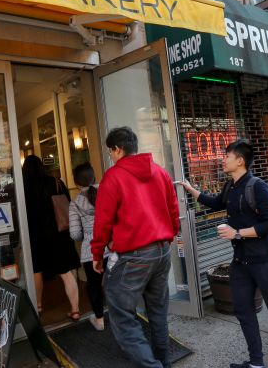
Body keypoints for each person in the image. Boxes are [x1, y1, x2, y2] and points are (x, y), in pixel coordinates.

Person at [179, 140, 268, 368]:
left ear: (240, 160)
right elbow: (215, 203)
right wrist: (190, 189)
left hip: (265, 258)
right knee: (243, 311)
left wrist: (237, 233)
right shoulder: (230, 186)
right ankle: (256, 362)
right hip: (241, 261)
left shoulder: (257, 186)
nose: (222, 159)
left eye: (226, 156)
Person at [91, 127, 179, 368]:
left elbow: (102, 222)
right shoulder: (160, 172)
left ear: (118, 149)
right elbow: (173, 211)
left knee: (122, 316)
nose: (111, 156)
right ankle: (164, 361)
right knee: (158, 313)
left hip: (133, 256)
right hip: (162, 251)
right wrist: (169, 238)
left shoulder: (113, 176)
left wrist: (97, 254)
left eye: (111, 151)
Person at [21, 155, 81, 320]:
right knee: (67, 272)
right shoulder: (56, 182)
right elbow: (67, 204)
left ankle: (38, 306)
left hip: (35, 236)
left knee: (37, 271)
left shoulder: (24, 187)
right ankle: (75, 310)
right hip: (59, 234)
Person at [68, 163, 106, 331]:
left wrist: (87, 233)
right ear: (94, 177)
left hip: (90, 252)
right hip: (111, 247)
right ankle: (124, 316)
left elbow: (75, 234)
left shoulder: (75, 204)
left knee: (94, 286)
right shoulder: (106, 193)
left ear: (76, 183)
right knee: (116, 284)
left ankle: (100, 320)